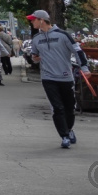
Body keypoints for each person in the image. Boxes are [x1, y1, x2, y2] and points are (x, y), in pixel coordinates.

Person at [27, 9, 79, 148]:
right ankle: (64, 136)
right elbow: (35, 57)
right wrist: (35, 59)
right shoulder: (36, 38)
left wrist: (84, 68)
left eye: (33, 19)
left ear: (41, 20)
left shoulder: (63, 35)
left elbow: (77, 50)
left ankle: (69, 129)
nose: (31, 22)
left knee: (69, 107)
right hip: (48, 78)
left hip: (65, 77)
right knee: (57, 107)